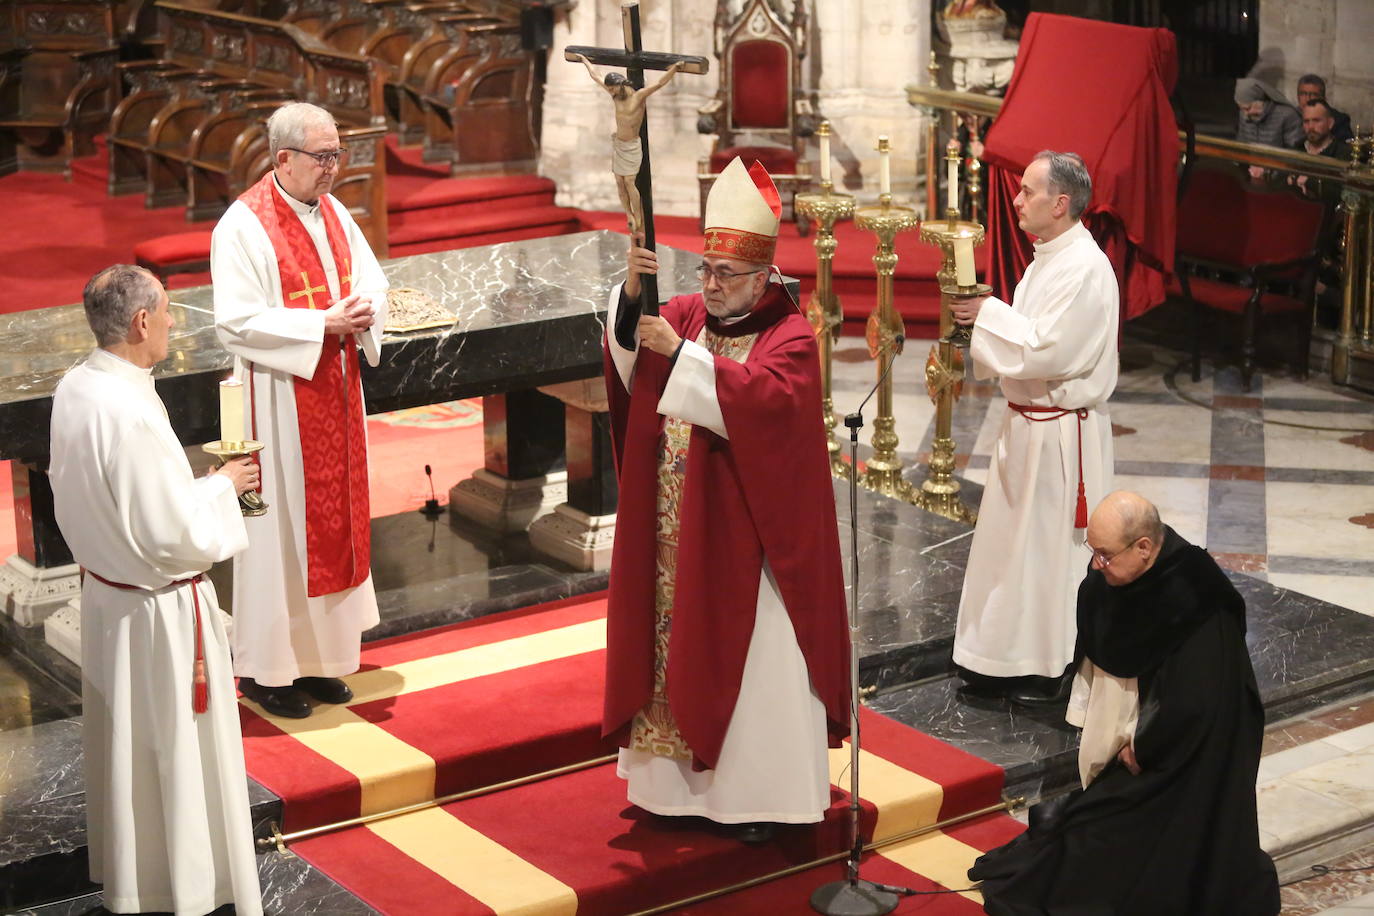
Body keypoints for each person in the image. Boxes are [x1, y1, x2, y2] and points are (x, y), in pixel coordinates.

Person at [601, 157, 851, 843]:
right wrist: (632, 293)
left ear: (765, 277)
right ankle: (671, 795)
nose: (710, 287)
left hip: (753, 546)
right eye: (705, 270)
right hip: (676, 533)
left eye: (726, 275)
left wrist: (678, 358)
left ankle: (756, 802)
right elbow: (628, 354)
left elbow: (766, 404)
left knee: (755, 668)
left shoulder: (790, 338)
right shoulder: (682, 312)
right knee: (670, 649)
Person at [50, 265, 263, 915]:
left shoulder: (78, 386)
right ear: (141, 322)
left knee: (132, 756)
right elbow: (172, 537)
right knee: (176, 758)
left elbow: (124, 511)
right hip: (161, 612)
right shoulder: (130, 411)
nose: (173, 321)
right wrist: (224, 484)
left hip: (112, 599)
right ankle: (192, 889)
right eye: (167, 310)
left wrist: (194, 490)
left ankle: (138, 880)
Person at [968, 491, 1280, 915]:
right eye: (1093, 551)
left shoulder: (1197, 596)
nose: (1097, 564)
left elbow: (1200, 699)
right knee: (1080, 829)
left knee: (1097, 837)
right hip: (1145, 740)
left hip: (1188, 755)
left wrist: (1146, 745)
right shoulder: (1117, 574)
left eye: (1105, 554)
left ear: (1145, 548)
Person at [211, 101, 388, 719]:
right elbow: (234, 321)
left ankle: (316, 663)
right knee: (278, 537)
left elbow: (372, 280)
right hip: (278, 403)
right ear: (282, 158)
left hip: (335, 392)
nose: (334, 168)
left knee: (332, 524)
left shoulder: (335, 213)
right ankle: (265, 671)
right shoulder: (242, 226)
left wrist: (363, 311)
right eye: (322, 157)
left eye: (338, 155)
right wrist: (323, 322)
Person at [949, 150, 1118, 705]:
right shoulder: (1047, 258)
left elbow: (1048, 349)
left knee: (1046, 554)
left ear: (1061, 203)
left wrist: (986, 314)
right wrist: (980, 320)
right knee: (1008, 549)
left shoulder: (1087, 268)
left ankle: (1049, 667)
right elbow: (1024, 335)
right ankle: (996, 656)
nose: (1017, 200)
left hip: (1058, 435)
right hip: (1027, 427)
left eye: (1027, 191)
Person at [575, 52, 684, 237]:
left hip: (632, 145)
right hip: (619, 144)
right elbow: (596, 76)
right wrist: (584, 60)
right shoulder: (615, 97)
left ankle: (638, 216)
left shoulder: (638, 96)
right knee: (619, 182)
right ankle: (629, 215)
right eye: (609, 89)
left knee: (629, 181)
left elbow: (658, 84)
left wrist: (675, 68)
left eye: (612, 89)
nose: (609, 92)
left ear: (620, 85)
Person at [1234, 78, 1303, 179]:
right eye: (1241, 108)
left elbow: (1295, 154)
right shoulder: (1244, 115)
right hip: (1250, 175)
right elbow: (1241, 146)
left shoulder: (1287, 115)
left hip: (1279, 178)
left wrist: (1267, 169)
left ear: (1260, 102)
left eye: (1248, 108)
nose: (1245, 114)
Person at [1296, 73, 1353, 142]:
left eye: (1314, 94)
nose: (1308, 99)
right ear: (1297, 96)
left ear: (1323, 98)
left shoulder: (1339, 121)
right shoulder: (1291, 116)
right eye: (1303, 94)